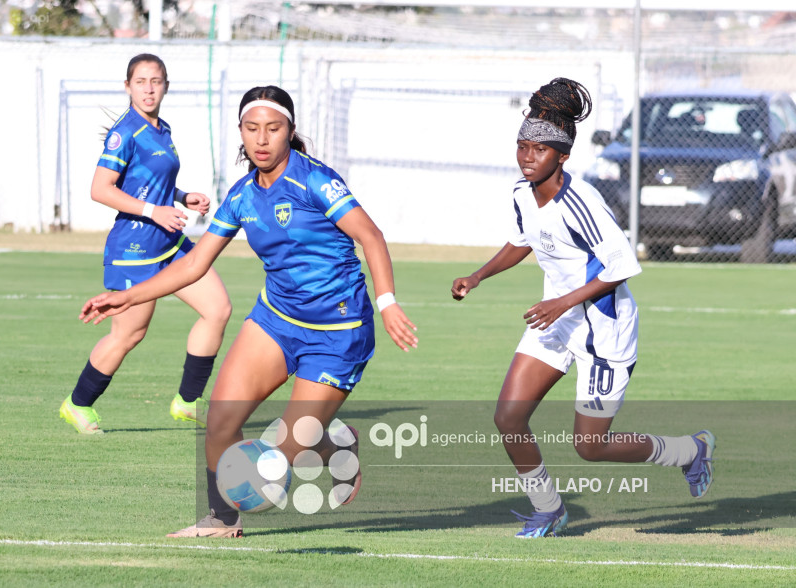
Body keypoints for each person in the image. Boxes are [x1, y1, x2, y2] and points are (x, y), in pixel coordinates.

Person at [80, 85, 418, 537]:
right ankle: (222, 520)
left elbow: (371, 237)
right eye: (252, 128)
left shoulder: (315, 180)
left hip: (338, 334)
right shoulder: (241, 195)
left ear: (290, 132)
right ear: (240, 132)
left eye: (273, 129)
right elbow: (196, 263)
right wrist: (128, 296)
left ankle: (336, 443)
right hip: (276, 321)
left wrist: (388, 303)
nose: (261, 139)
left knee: (280, 460)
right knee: (220, 419)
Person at [451, 78, 715, 539]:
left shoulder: (582, 201)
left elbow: (622, 265)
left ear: (562, 156)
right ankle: (549, 510)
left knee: (590, 447)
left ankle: (689, 451)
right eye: (522, 146)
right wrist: (478, 276)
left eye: (539, 149)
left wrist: (561, 302)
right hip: (555, 323)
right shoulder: (521, 192)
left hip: (603, 330)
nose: (527, 156)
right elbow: (521, 241)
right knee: (508, 417)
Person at [59, 54, 232, 435]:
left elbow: (151, 182)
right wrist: (155, 210)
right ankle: (77, 404)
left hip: (170, 243)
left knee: (217, 310)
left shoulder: (162, 128)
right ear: (128, 87)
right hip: (133, 250)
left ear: (166, 86)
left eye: (156, 81)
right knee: (128, 335)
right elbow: (100, 190)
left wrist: (182, 197)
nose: (149, 88)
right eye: (141, 81)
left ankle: (186, 402)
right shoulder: (125, 133)